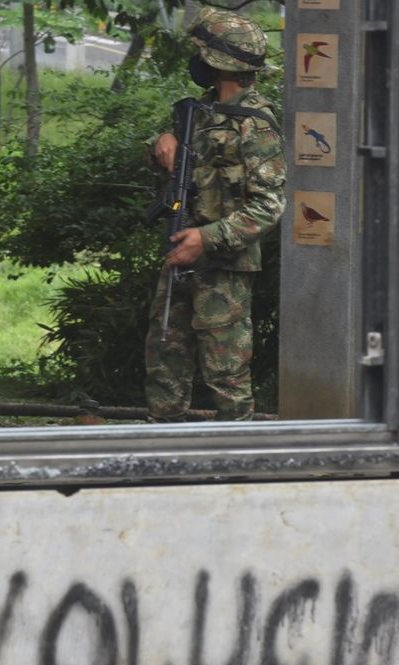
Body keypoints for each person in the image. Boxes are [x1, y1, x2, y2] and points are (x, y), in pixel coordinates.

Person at [143, 8, 285, 422]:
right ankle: (162, 453)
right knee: (164, 362)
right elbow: (177, 164)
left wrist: (205, 239)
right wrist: (162, 140)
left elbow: (270, 206)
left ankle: (238, 465)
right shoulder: (198, 113)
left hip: (224, 268)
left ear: (220, 63)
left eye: (203, 54)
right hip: (178, 255)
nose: (197, 62)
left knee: (227, 376)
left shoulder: (257, 127)